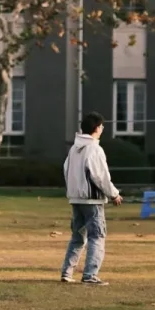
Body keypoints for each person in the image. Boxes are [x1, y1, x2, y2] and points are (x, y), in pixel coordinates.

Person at [60, 111, 122, 286]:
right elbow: (100, 176)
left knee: (77, 237)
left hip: (75, 198)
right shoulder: (95, 148)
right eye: (101, 126)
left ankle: (67, 272)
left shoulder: (74, 148)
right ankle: (90, 275)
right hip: (92, 200)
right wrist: (114, 194)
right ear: (96, 128)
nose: (102, 129)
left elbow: (66, 170)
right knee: (97, 236)